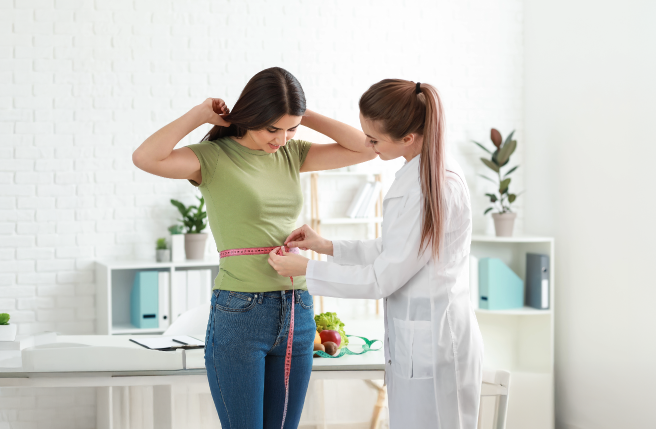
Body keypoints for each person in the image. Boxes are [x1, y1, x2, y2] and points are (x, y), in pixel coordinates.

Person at [132, 67, 376, 429]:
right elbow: (145, 157)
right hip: (241, 312)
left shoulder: (292, 153)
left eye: (291, 128)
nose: (281, 138)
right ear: (251, 117)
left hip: (297, 307)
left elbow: (365, 148)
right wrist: (199, 114)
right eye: (271, 128)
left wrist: (300, 115)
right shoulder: (212, 158)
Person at [268, 79, 484, 429]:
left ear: (407, 138)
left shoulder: (430, 185)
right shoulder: (419, 175)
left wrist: (308, 270)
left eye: (374, 139)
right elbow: (393, 251)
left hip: (437, 346)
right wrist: (327, 246)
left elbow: (383, 278)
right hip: (422, 342)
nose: (368, 145)